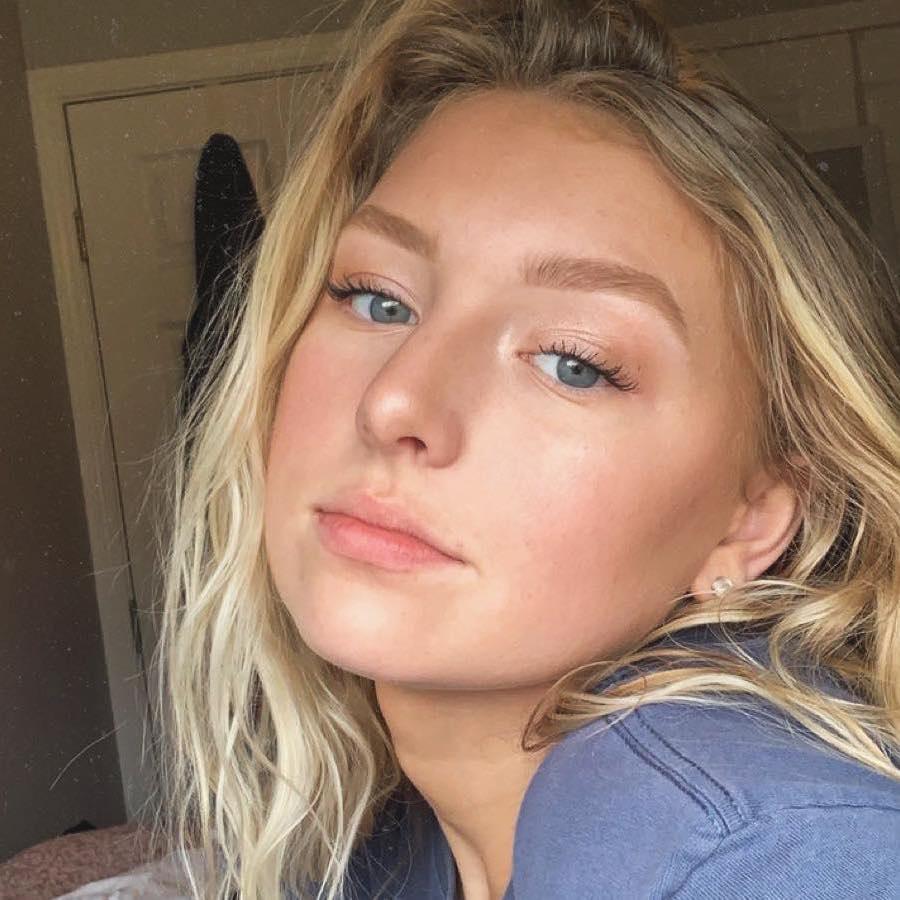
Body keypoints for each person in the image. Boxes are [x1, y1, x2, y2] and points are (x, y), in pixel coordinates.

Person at [133, 1, 900, 898]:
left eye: (574, 362)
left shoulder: (770, 853)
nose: (393, 400)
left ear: (751, 520)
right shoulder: (396, 845)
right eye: (378, 299)